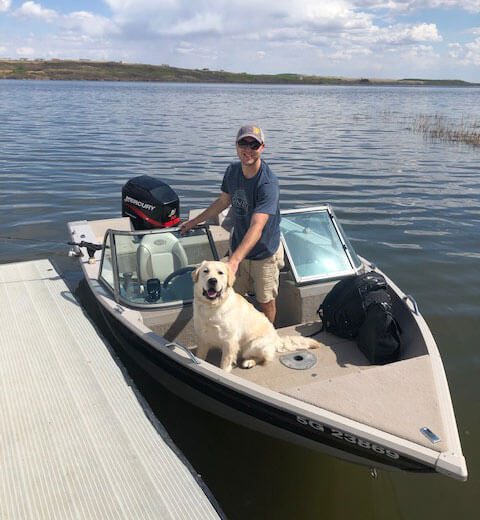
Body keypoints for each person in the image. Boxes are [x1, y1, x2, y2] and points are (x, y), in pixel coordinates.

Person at [180, 124, 283, 323]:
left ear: (262, 148)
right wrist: (193, 222)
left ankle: (268, 337)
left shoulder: (268, 184)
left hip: (264, 253)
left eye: (254, 145)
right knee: (232, 295)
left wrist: (234, 261)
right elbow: (223, 201)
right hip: (238, 247)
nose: (248, 150)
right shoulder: (232, 170)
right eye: (243, 143)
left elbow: (257, 226)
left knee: (265, 301)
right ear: (236, 145)